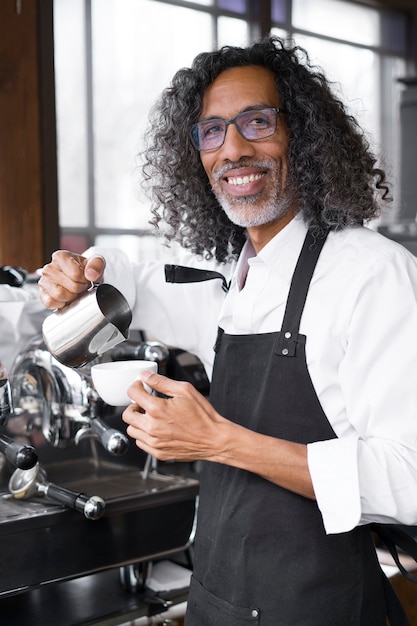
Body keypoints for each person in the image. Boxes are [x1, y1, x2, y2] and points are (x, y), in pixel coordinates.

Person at [39, 37, 417, 625]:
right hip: (218, 601)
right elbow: (132, 277)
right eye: (211, 131)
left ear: (305, 136)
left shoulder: (371, 273)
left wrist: (218, 441)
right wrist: (80, 274)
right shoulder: (227, 277)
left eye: (257, 122)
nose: (233, 149)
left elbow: (410, 477)